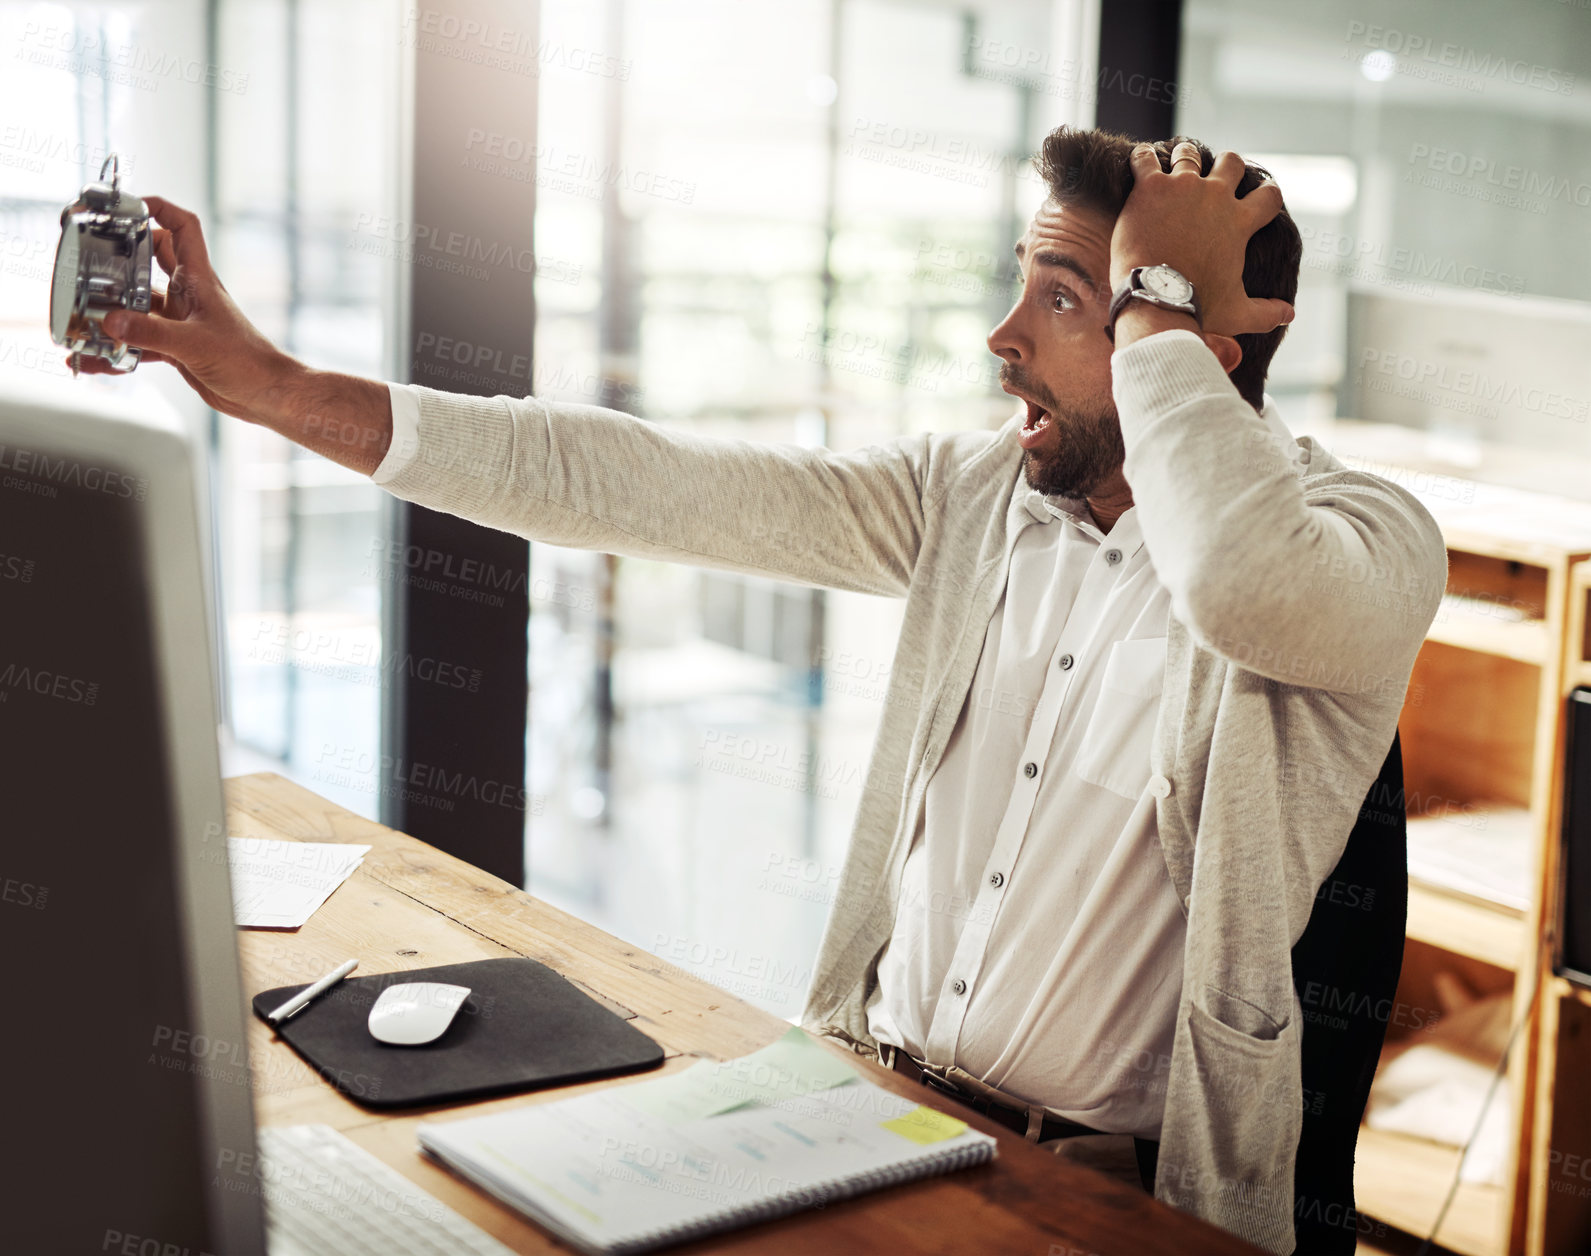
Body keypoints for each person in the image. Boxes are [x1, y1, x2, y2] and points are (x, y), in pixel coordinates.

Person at [83, 127, 1447, 1255]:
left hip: (1112, 1206)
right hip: (875, 1119)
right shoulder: (969, 497)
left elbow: (1241, 584)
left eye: (1068, 299)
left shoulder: (1366, 542)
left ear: (1187, 344)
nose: (1000, 337)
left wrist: (1161, 324)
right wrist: (271, 387)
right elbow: (632, 479)